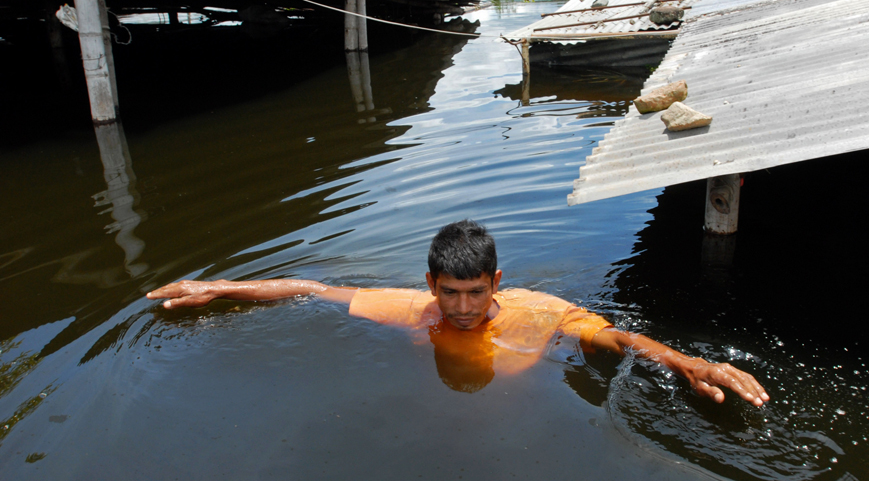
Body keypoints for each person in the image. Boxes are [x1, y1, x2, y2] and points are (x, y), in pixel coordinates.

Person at [147, 219, 769, 405]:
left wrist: (686, 361)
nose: (464, 308)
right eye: (451, 292)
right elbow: (310, 288)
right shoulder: (413, 309)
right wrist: (221, 287)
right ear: (432, 284)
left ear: (496, 281)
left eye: (476, 292)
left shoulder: (537, 312)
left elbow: (616, 338)